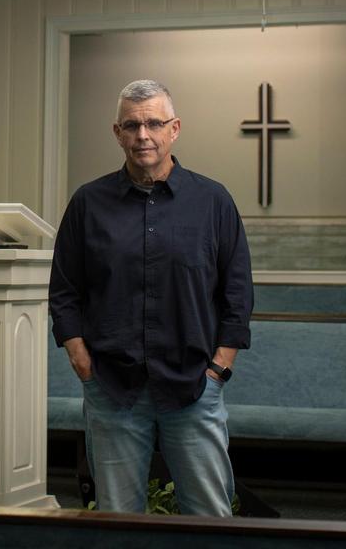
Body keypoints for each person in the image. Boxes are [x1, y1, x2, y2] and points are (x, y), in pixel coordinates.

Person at [48, 79, 253, 515]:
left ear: (174, 129)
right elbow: (64, 290)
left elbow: (238, 291)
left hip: (195, 384)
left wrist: (221, 366)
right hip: (112, 386)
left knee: (209, 513)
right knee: (117, 514)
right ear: (117, 132)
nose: (143, 135)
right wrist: (80, 359)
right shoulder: (88, 203)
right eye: (132, 125)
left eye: (154, 123)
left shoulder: (213, 201)